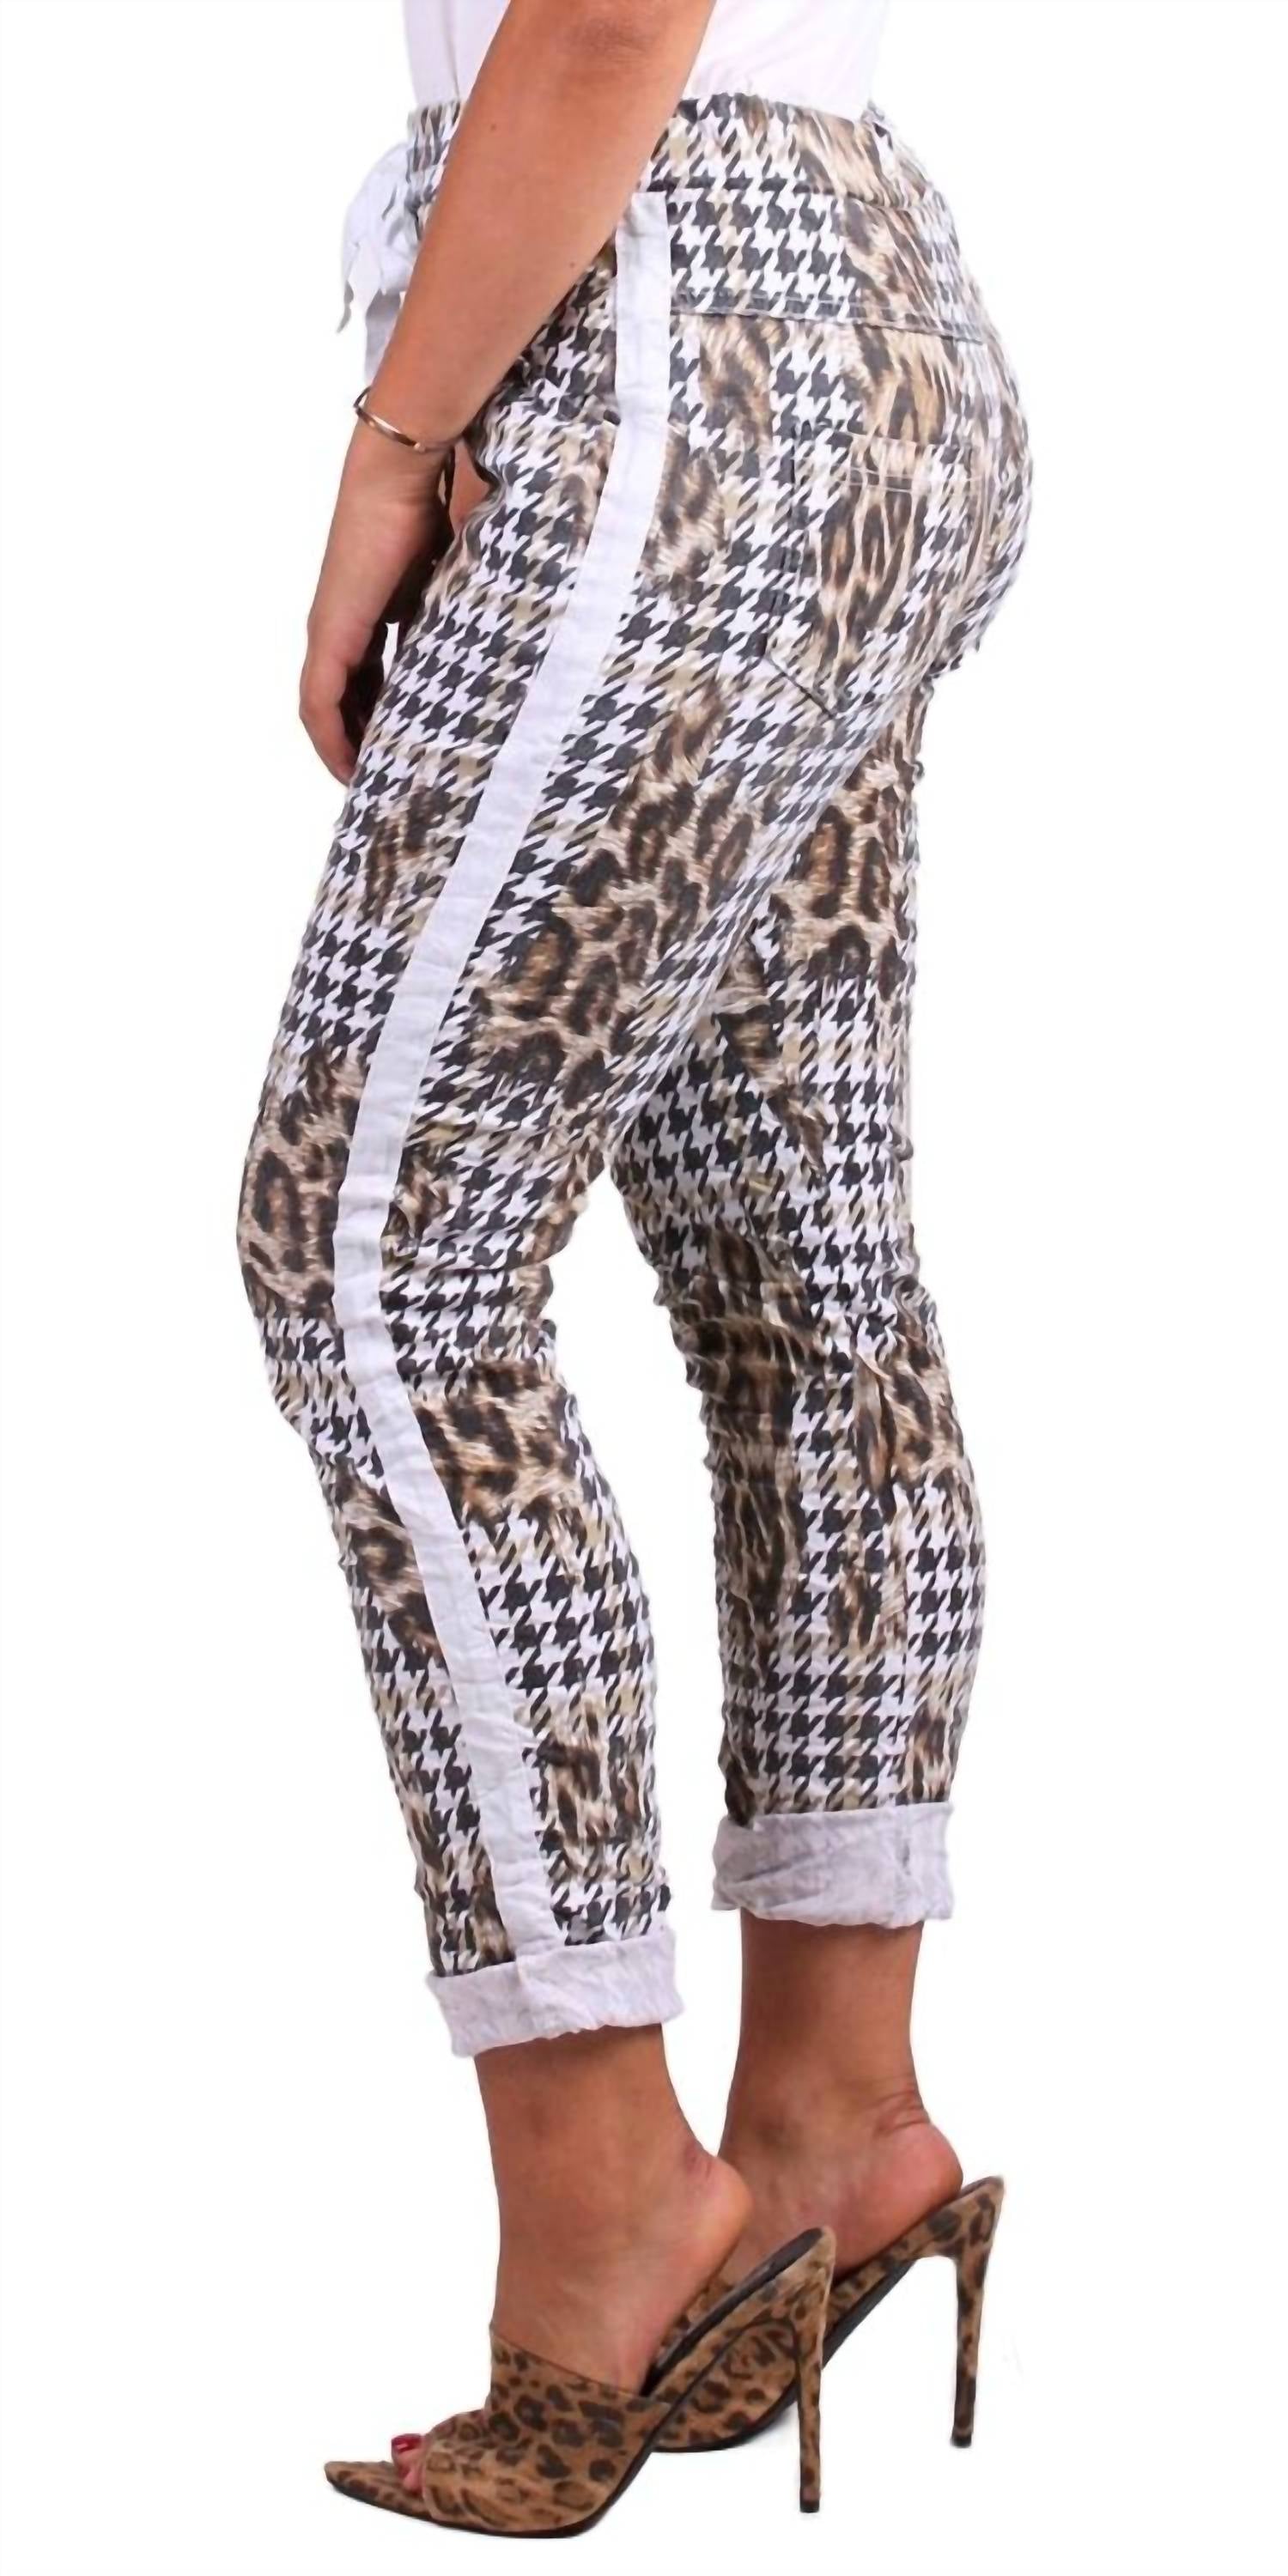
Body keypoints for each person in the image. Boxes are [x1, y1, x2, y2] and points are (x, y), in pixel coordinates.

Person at [237, 0, 1030, 2535]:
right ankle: (836, 2124)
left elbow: (601, 13)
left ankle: (610, 2208)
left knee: (380, 1261)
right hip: (871, 319)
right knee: (804, 1263)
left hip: (664, 314)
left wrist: (396, 441)